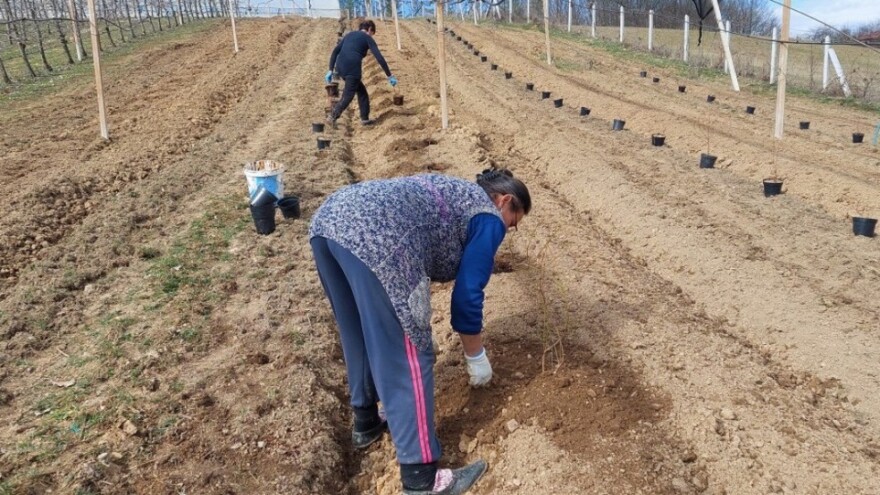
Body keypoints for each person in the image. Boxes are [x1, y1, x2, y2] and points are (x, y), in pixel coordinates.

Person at [309, 169, 532, 495]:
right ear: (504, 201)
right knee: (411, 350)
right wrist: (476, 355)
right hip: (377, 237)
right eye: (513, 221)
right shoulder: (488, 217)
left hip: (329, 221)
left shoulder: (457, 194)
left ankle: (366, 421)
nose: (508, 230)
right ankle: (422, 479)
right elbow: (468, 294)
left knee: (358, 331)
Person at [325, 20, 397, 127]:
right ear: (369, 30)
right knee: (348, 95)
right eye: (372, 33)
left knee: (362, 92)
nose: (371, 35)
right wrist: (389, 75)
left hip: (340, 67)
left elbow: (335, 51)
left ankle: (365, 119)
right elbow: (379, 58)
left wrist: (330, 69)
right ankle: (332, 116)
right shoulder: (367, 37)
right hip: (352, 68)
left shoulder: (349, 35)